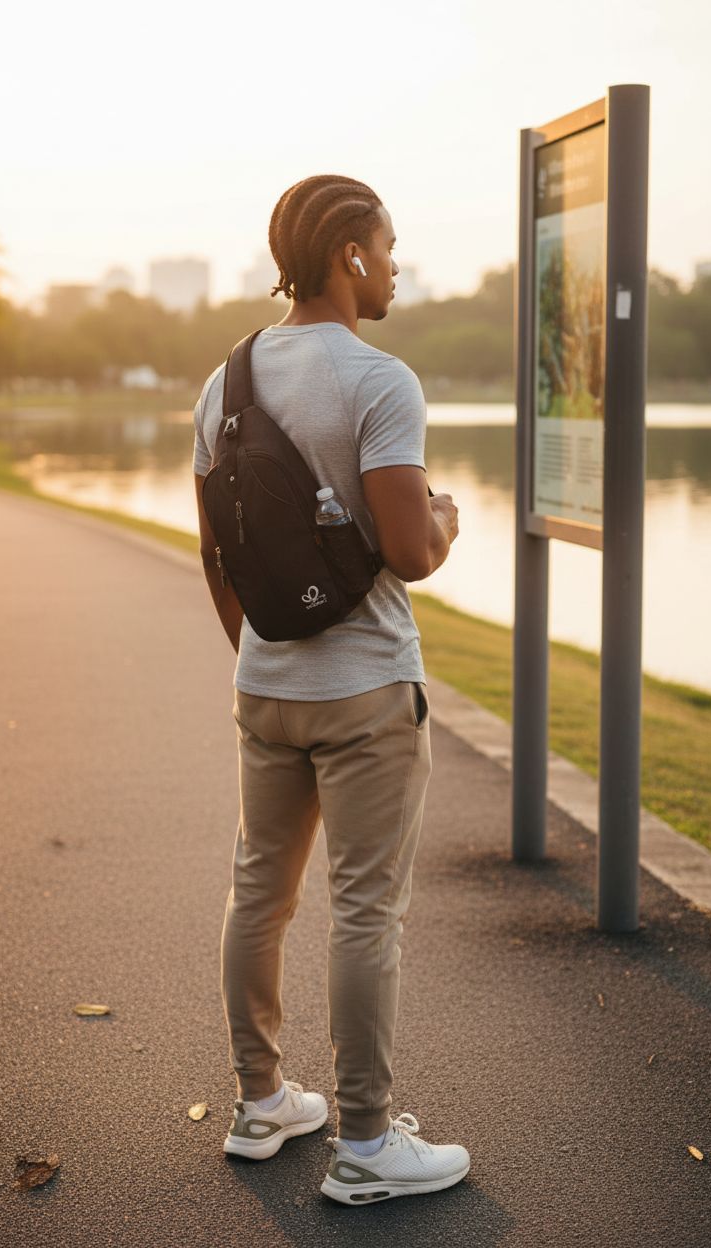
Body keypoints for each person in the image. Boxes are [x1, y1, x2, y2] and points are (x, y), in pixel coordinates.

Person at [192, 174, 468, 1205]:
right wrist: (444, 514)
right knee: (365, 913)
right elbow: (409, 550)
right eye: (388, 247)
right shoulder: (379, 380)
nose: (396, 266)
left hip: (264, 690)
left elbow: (218, 552)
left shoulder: (225, 383)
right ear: (350, 255)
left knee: (257, 896)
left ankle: (262, 1102)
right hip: (365, 695)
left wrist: (258, 654)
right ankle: (363, 1144)